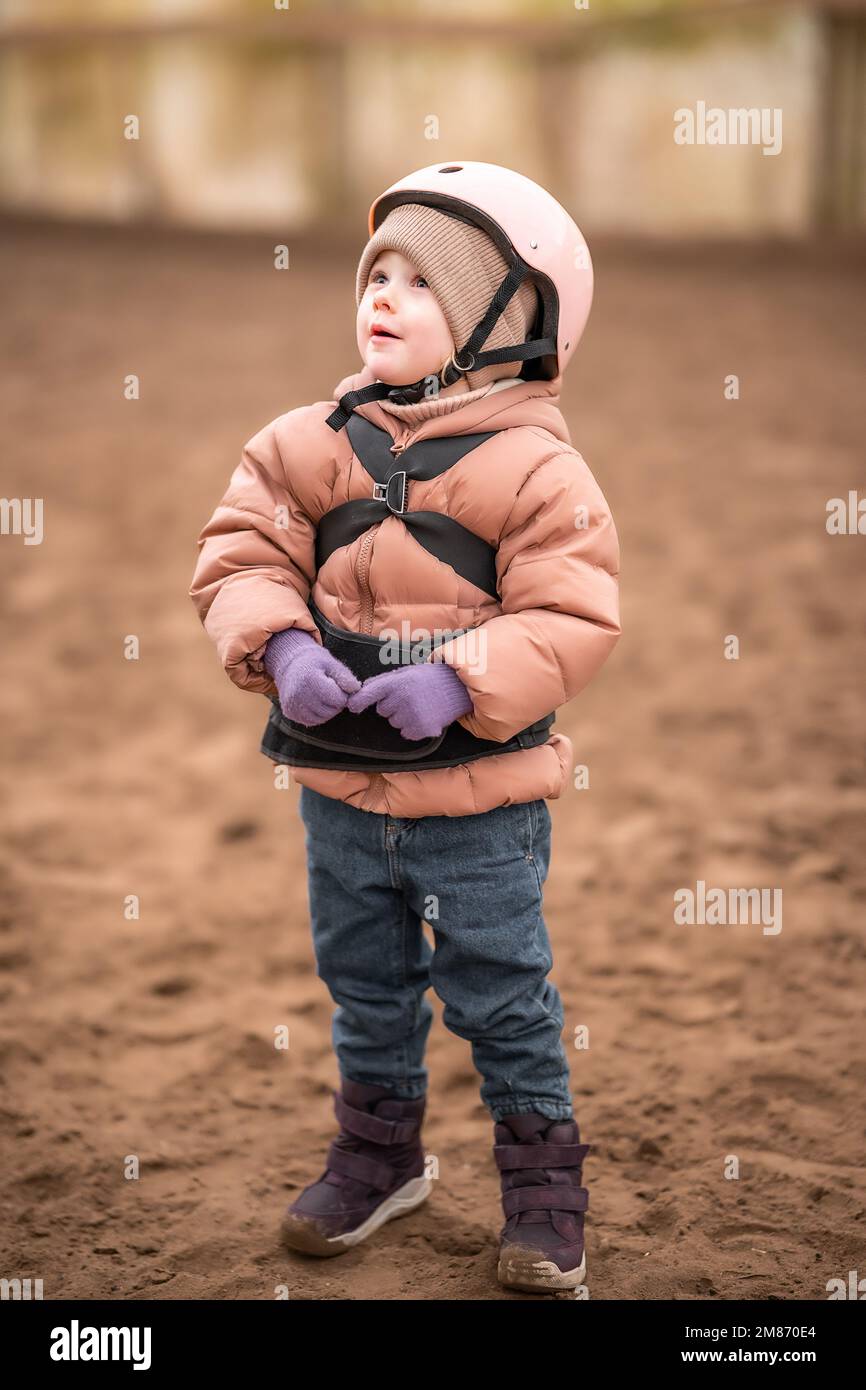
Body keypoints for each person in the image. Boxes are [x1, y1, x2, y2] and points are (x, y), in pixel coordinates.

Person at [188, 161, 621, 1294]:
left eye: (420, 281)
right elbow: (240, 556)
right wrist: (280, 645)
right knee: (364, 988)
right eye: (374, 270)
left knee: (501, 993)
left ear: (502, 324)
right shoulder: (305, 443)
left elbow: (573, 615)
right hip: (339, 796)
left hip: (477, 811)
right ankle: (377, 1156)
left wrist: (460, 679)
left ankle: (540, 1190)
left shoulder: (537, 468)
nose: (379, 292)